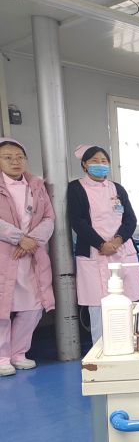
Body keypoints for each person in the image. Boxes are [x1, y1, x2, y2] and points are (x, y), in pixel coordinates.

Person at [68, 145, 139, 344]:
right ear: (84, 165)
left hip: (122, 249)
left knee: (130, 301)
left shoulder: (117, 188)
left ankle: (130, 345)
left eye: (104, 161)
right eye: (94, 161)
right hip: (94, 252)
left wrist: (117, 240)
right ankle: (101, 349)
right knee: (98, 305)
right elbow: (77, 221)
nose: (100, 164)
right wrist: (101, 244)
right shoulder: (76, 187)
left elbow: (130, 220)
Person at [0, 138, 55, 376]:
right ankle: (2, 357)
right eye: (8, 157)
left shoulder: (36, 185)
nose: (15, 162)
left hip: (31, 255)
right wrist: (18, 238)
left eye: (20, 157)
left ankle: (18, 353)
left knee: (33, 306)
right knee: (2, 307)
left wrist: (31, 240)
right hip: (5, 255)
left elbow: (49, 218)